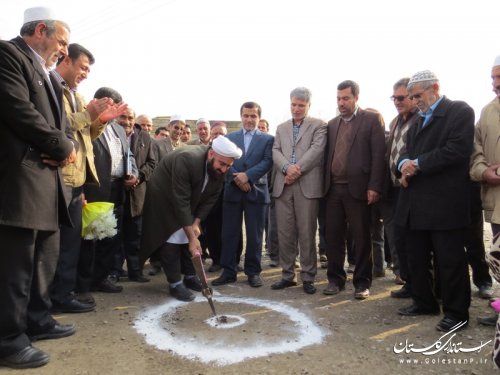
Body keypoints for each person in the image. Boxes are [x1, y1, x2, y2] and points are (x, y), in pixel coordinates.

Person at [0, 6, 78, 369]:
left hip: (46, 182)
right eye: (61, 41)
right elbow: (17, 109)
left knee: (42, 261)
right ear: (40, 31)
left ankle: (38, 320)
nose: (64, 49)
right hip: (20, 181)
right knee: (15, 268)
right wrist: (61, 147)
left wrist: (61, 147)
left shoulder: (46, 73)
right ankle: (8, 340)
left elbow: (56, 124)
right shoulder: (8, 54)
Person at [50, 43, 127, 313]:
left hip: (77, 181)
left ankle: (65, 294)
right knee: (59, 247)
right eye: (83, 67)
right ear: (66, 60)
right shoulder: (51, 89)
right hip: (58, 179)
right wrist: (89, 115)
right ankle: (58, 296)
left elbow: (85, 137)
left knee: (72, 245)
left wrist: (100, 121)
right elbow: (54, 127)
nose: (85, 74)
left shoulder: (77, 97)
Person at [395, 70, 474, 332]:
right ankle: (424, 301)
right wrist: (403, 163)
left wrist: (418, 164)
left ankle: (456, 313)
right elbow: (406, 150)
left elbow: (457, 150)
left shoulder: (459, 112)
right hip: (415, 202)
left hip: (444, 203)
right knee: (415, 256)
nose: (415, 100)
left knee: (449, 260)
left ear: (435, 88)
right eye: (412, 96)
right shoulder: (418, 121)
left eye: (418, 95)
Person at [140, 136, 242, 301]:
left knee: (188, 236)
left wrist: (196, 223)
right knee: (172, 238)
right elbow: (180, 200)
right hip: (164, 199)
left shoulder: (221, 167)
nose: (224, 170)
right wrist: (192, 236)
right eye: (222, 164)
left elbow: (211, 198)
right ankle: (175, 283)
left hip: (188, 200)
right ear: (211, 155)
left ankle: (189, 276)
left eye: (228, 166)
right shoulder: (186, 159)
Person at [322, 80, 385, 300]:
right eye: (338, 98)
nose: (341, 102)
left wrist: (374, 186)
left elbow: (379, 155)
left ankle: (361, 283)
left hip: (358, 190)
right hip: (333, 190)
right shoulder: (331, 124)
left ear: (356, 98)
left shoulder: (371, 119)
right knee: (333, 237)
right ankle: (335, 280)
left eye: (346, 98)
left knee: (361, 238)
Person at [271, 87, 327, 294]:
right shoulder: (281, 127)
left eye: (301, 105)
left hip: (307, 185)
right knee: (285, 233)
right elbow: (275, 150)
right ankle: (287, 275)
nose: (296, 108)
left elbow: (317, 150)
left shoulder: (320, 125)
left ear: (308, 106)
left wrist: (296, 170)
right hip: (283, 184)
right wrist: (286, 168)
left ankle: (308, 276)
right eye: (293, 104)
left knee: (306, 232)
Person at [212, 102, 274, 288]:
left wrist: (248, 177)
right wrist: (238, 178)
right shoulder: (229, 137)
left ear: (258, 117)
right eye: (246, 115)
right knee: (230, 233)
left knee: (255, 235)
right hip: (233, 190)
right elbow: (224, 161)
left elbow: (268, 161)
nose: (249, 119)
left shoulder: (268, 139)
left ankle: (253, 272)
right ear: (241, 116)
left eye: (253, 116)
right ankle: (228, 271)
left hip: (257, 191)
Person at [82, 90, 138, 294]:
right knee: (91, 238)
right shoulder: (87, 124)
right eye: (112, 105)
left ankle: (101, 278)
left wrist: (133, 172)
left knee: (110, 238)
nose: (116, 110)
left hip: (118, 190)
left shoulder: (120, 130)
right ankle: (83, 283)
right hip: (95, 189)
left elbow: (128, 155)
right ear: (100, 103)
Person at [380, 78, 419, 299]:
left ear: (413, 97)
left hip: (412, 189)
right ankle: (407, 281)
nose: (397, 101)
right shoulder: (395, 121)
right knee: (397, 239)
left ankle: (422, 286)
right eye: (394, 98)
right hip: (393, 189)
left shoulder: (421, 120)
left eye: (401, 98)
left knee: (413, 241)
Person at [470, 54, 500, 326]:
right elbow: (476, 150)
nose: (495, 84)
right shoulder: (488, 111)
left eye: (499, 77)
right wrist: (484, 172)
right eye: (493, 78)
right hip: (496, 201)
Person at [111, 108, 156, 283]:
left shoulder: (144, 137)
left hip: (137, 196)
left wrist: (138, 177)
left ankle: (135, 271)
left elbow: (152, 163)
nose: (127, 121)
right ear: (116, 117)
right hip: (114, 193)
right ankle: (114, 271)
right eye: (123, 117)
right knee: (114, 236)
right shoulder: (110, 133)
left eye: (130, 118)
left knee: (135, 237)